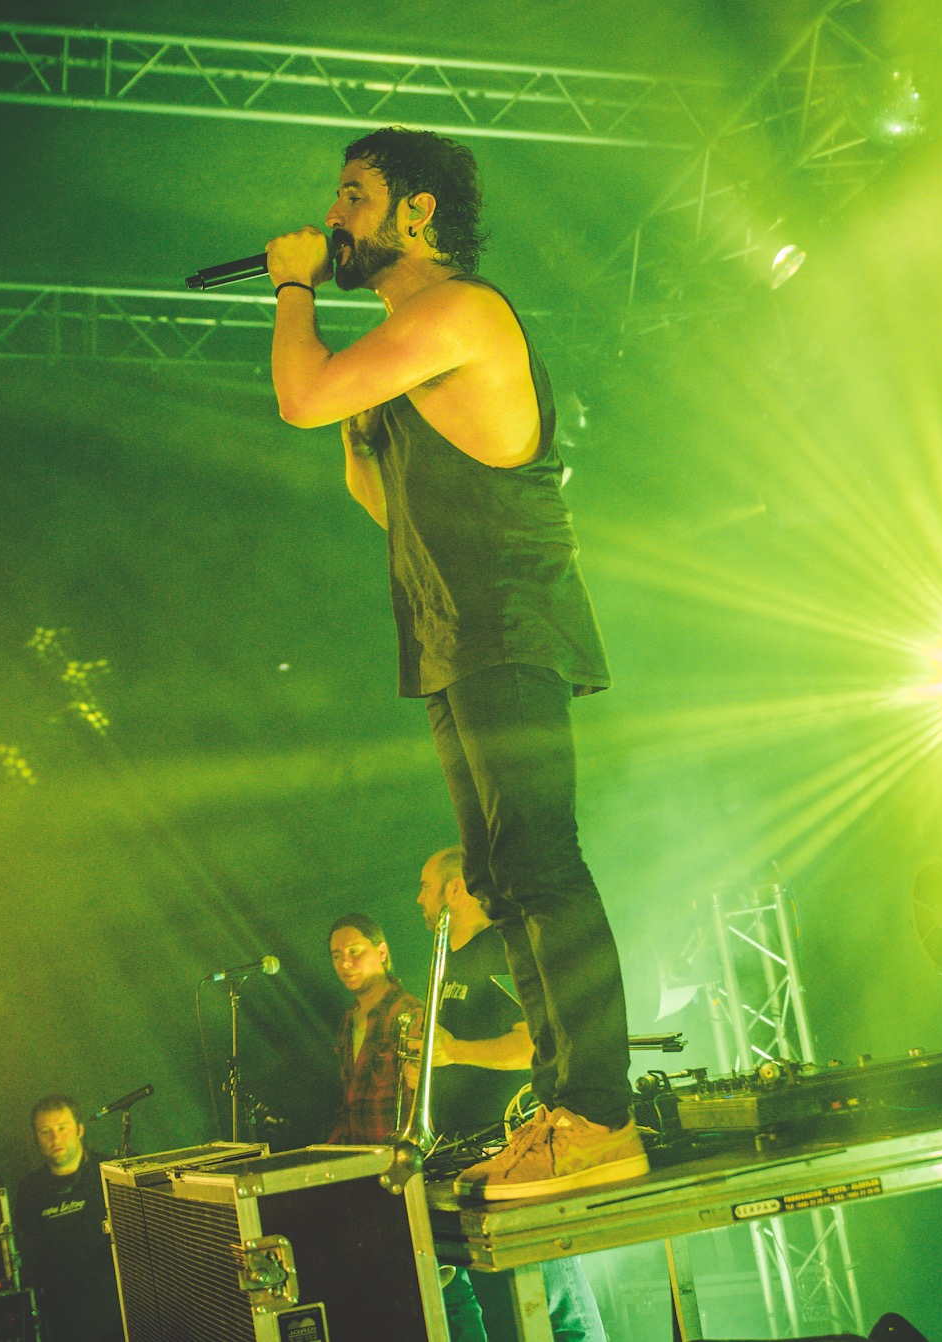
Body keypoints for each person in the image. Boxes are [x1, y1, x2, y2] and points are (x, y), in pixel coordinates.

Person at [268, 125, 643, 1201]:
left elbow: (301, 394)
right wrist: (357, 429)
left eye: (354, 195)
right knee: (499, 877)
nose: (333, 216)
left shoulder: (461, 313)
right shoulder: (410, 351)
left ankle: (600, 1111)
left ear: (417, 212)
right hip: (450, 638)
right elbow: (382, 503)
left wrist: (294, 289)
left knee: (542, 863)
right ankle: (565, 1103)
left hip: (507, 624)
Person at [414, 846, 608, 1342]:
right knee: (506, 1308)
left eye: (426, 887)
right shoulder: (449, 960)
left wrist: (454, 1052)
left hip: (510, 1150)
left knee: (554, 1301)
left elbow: (533, 1045)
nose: (418, 899)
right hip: (466, 1158)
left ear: (454, 889)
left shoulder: (501, 950)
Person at [13, 1095, 122, 1342]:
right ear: (36, 1138)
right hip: (62, 1321)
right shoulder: (30, 1190)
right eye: (45, 1132)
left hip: (119, 1315)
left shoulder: (110, 1172)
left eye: (62, 1128)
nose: (55, 1138)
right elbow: (26, 1256)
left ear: (80, 1130)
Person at [327, 913, 423, 1145]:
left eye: (354, 951)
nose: (345, 964)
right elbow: (350, 1105)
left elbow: (426, 1101)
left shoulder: (410, 1012)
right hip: (359, 1156)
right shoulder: (348, 1018)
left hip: (399, 1156)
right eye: (337, 956)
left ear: (381, 952)